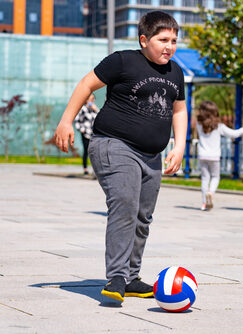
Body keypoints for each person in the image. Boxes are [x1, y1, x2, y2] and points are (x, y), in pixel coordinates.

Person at [53, 11, 187, 302]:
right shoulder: (123, 61)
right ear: (144, 40)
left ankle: (131, 276)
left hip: (152, 155)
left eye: (174, 40)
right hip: (114, 144)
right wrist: (66, 121)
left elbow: (179, 109)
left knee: (143, 216)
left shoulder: (175, 72)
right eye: (163, 39)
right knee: (125, 204)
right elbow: (86, 84)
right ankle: (116, 276)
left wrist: (179, 146)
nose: (170, 46)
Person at [196, 101, 243, 211]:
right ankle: (211, 192)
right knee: (215, 177)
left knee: (205, 178)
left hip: (202, 155)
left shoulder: (199, 124)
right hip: (214, 156)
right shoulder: (219, 126)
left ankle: (204, 204)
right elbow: (234, 134)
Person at [74, 93, 98, 175]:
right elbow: (77, 121)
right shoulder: (83, 109)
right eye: (90, 99)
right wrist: (81, 129)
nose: (92, 100)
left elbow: (99, 119)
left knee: (94, 152)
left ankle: (95, 170)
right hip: (86, 134)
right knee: (86, 151)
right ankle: (85, 169)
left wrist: (96, 110)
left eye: (93, 99)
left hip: (94, 134)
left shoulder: (94, 109)